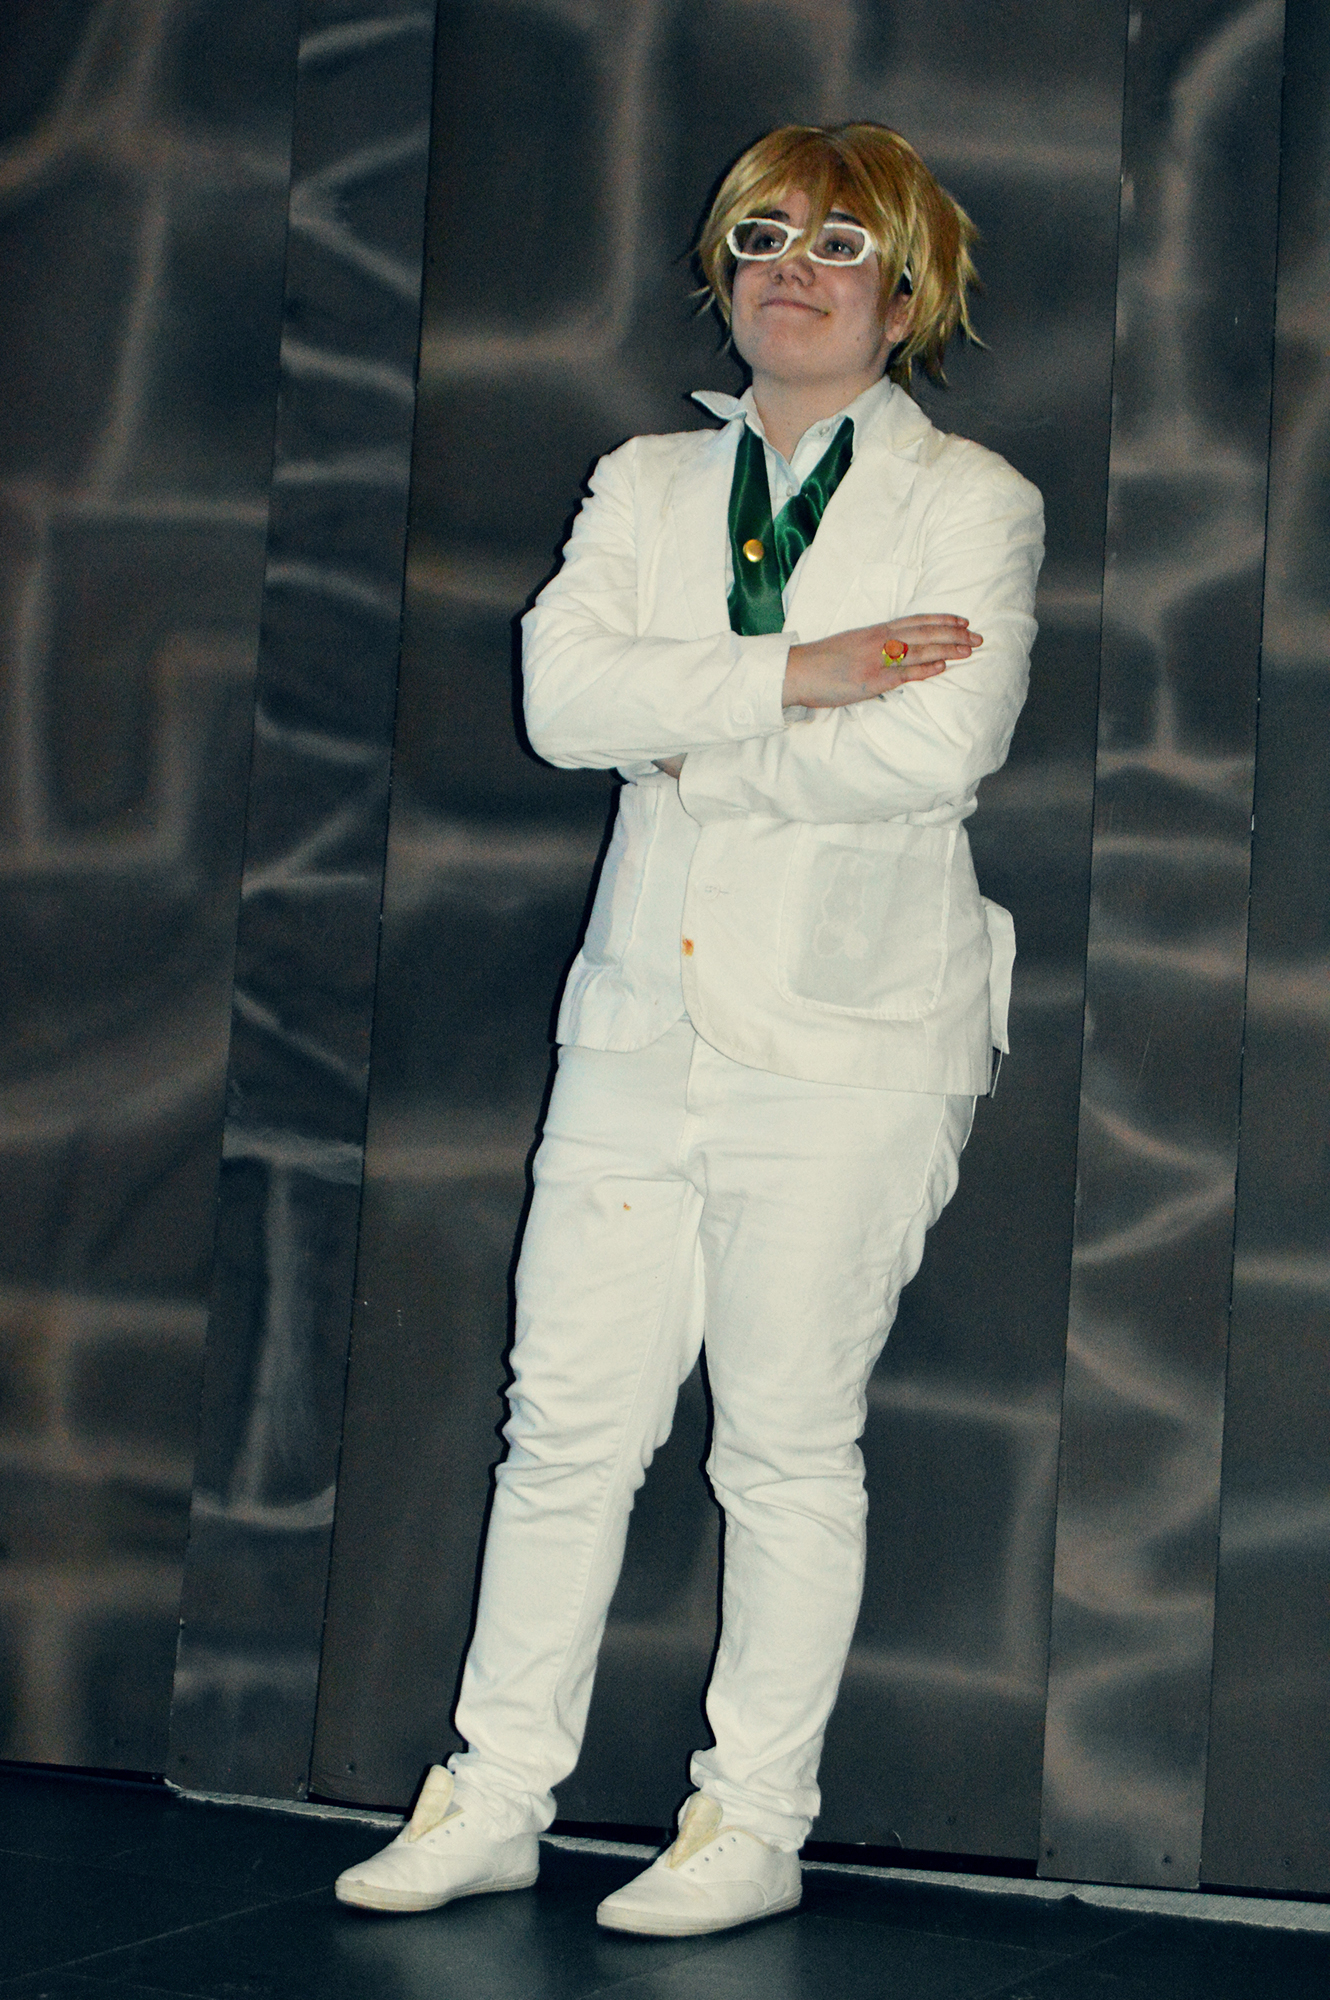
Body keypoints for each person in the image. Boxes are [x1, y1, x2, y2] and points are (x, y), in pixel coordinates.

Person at [335, 120, 1043, 1938]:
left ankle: (750, 1822)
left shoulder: (969, 500)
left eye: (837, 244)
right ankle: (494, 1794)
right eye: (760, 236)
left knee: (784, 1444)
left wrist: (690, 736)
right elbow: (560, 699)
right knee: (560, 1431)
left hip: (849, 1045)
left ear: (905, 296)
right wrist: (802, 674)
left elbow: (935, 750)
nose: (790, 269)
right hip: (639, 1026)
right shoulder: (646, 484)